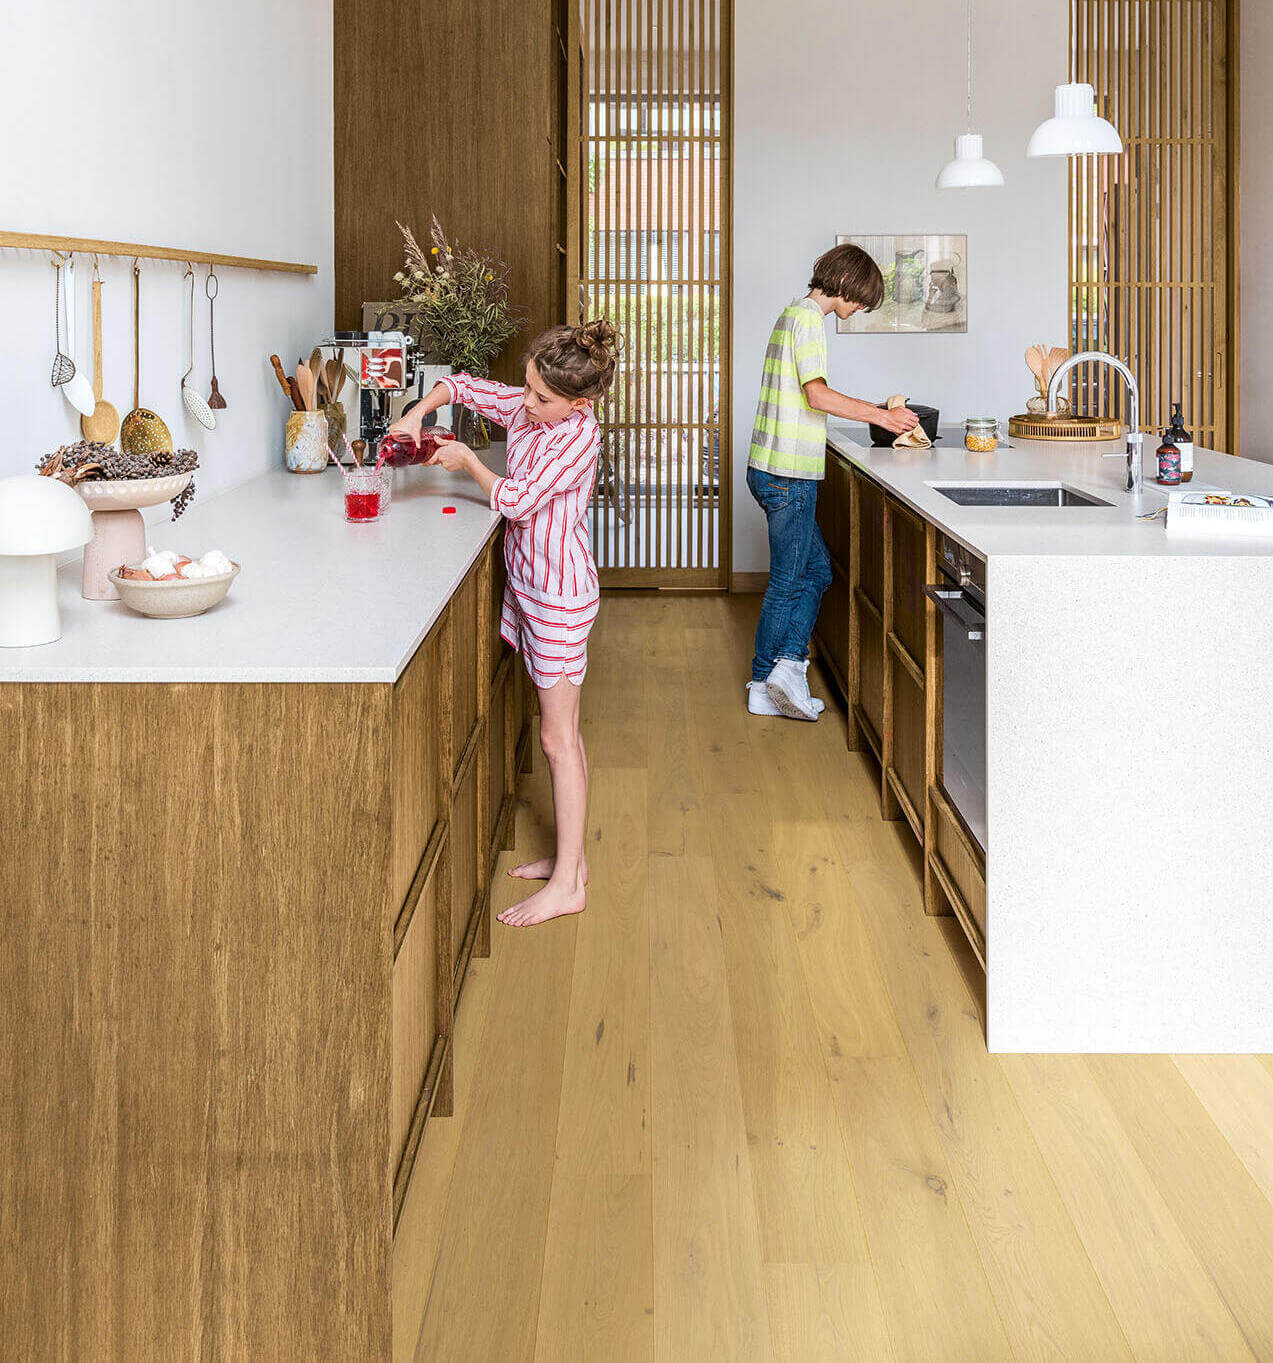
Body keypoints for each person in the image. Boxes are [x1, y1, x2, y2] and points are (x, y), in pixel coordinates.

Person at [387, 320, 620, 926]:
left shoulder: (577, 440)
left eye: (541, 397)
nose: (526, 401)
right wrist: (416, 413)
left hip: (560, 595)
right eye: (527, 386)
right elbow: (461, 387)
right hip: (534, 588)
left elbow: (516, 500)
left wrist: (464, 459)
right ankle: (573, 862)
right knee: (564, 734)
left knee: (556, 738)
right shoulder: (534, 407)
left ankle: (569, 882)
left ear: (579, 403)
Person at [746, 244, 918, 721]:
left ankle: (787, 669)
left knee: (816, 570)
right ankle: (766, 680)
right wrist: (882, 417)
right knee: (789, 579)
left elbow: (808, 395)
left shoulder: (790, 315)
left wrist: (877, 410)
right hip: (789, 474)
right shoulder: (809, 322)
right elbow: (816, 395)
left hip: (769, 467)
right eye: (861, 299)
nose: (859, 309)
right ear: (845, 284)